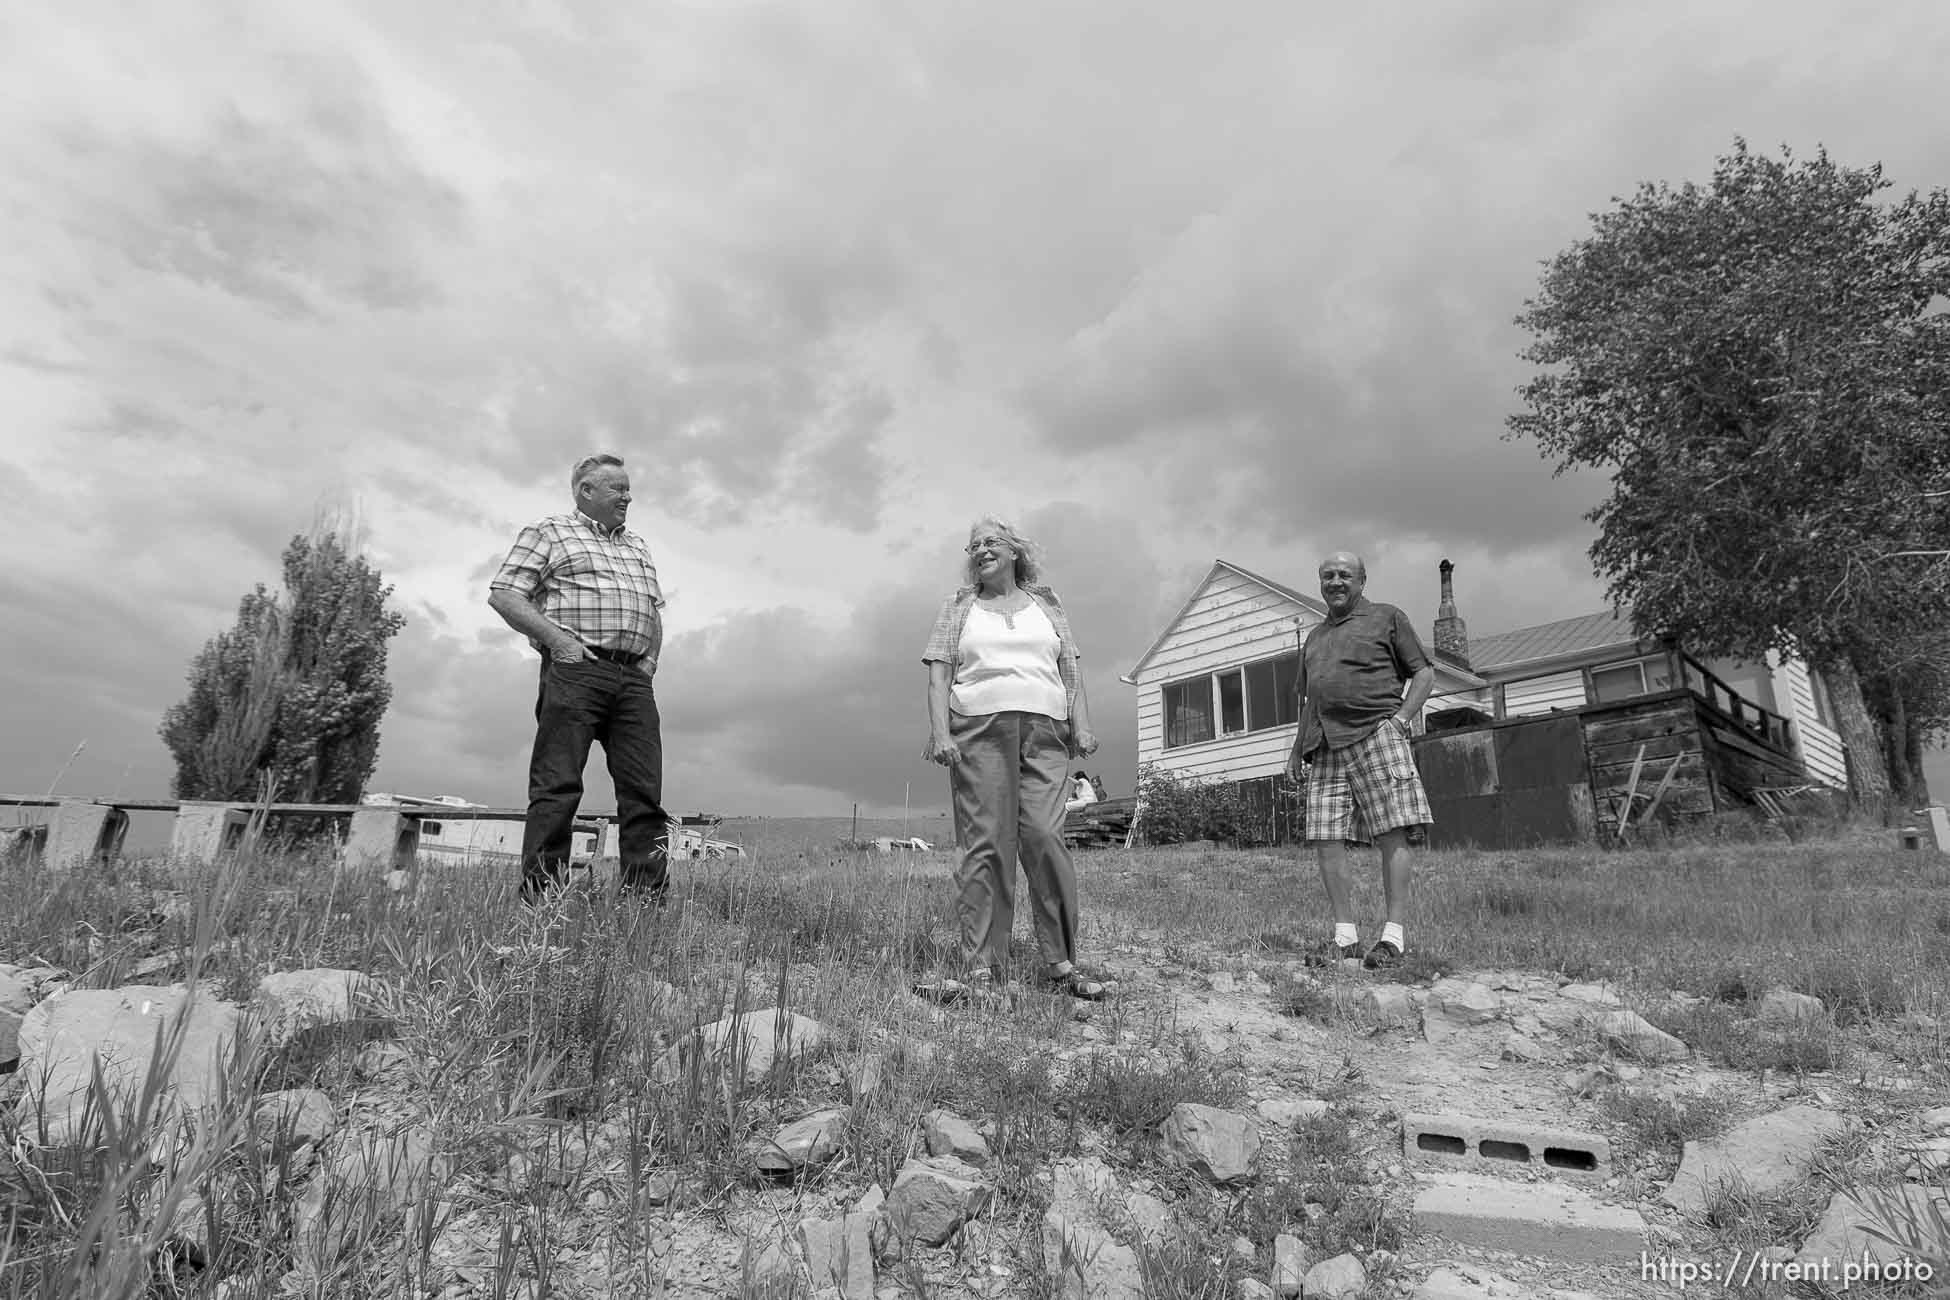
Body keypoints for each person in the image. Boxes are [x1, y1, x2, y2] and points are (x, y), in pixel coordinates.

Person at [921, 516, 1108, 1001]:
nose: (981, 550)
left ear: (1014, 551)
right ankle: (982, 967)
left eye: (991, 542)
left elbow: (1072, 669)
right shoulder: (959, 606)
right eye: (974, 545)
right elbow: (939, 676)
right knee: (987, 844)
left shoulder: (1048, 603)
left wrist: (1081, 725)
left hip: (1045, 731)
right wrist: (940, 733)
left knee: (1045, 837)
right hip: (979, 730)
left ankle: (1061, 963)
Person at [489, 454, 672, 903]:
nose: (628, 496)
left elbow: (653, 609)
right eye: (618, 489)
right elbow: (505, 594)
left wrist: (649, 661)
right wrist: (561, 644)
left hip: (633, 679)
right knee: (558, 785)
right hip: (576, 670)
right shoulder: (549, 531)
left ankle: (644, 898)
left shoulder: (638, 545)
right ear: (586, 491)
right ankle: (542, 897)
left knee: (643, 791)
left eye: (629, 489)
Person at [1285, 551, 1435, 969]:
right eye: (1328, 575)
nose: (1336, 581)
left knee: (1392, 831)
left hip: (1377, 733)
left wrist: (1401, 721)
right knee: (1326, 837)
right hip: (1326, 746)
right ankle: (1345, 936)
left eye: (1345, 575)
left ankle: (1393, 937)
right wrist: (1298, 748)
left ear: (1362, 580)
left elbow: (1424, 673)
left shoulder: (1387, 618)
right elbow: (1312, 699)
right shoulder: (1314, 638)